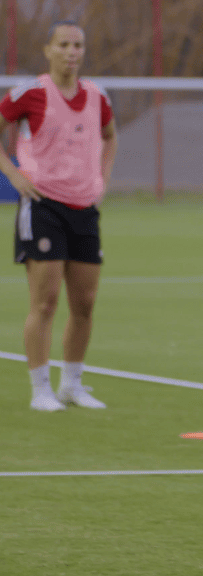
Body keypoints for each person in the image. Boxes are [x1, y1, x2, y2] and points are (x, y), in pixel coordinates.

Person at [0, 21, 118, 412]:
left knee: (84, 303)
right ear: (48, 49)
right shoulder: (30, 93)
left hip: (85, 209)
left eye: (78, 45)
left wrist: (103, 180)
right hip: (43, 205)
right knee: (45, 302)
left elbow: (110, 136)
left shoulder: (97, 95)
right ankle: (40, 390)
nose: (71, 52)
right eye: (64, 44)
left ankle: (72, 385)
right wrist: (14, 174)